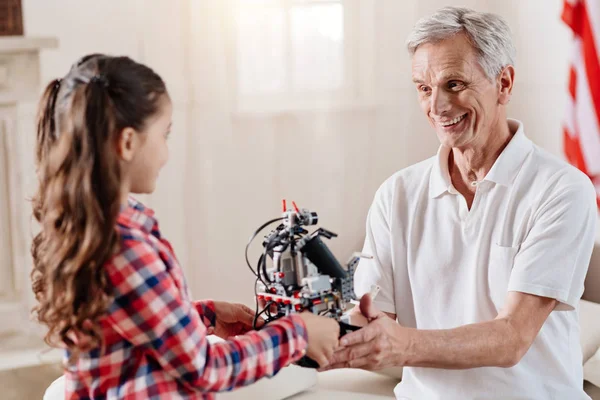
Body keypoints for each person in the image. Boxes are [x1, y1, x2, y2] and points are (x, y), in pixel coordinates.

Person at [324, 6, 597, 400]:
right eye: (423, 88)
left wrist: (402, 345)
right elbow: (370, 317)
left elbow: (512, 338)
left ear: (503, 83)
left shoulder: (562, 189)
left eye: (454, 84)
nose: (437, 106)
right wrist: (293, 332)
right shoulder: (396, 194)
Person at [31, 54, 340, 399]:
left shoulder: (92, 225)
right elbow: (205, 369)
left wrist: (202, 315)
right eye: (164, 135)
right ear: (128, 142)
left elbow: (126, 326)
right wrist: (296, 334)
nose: (166, 152)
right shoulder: (125, 246)